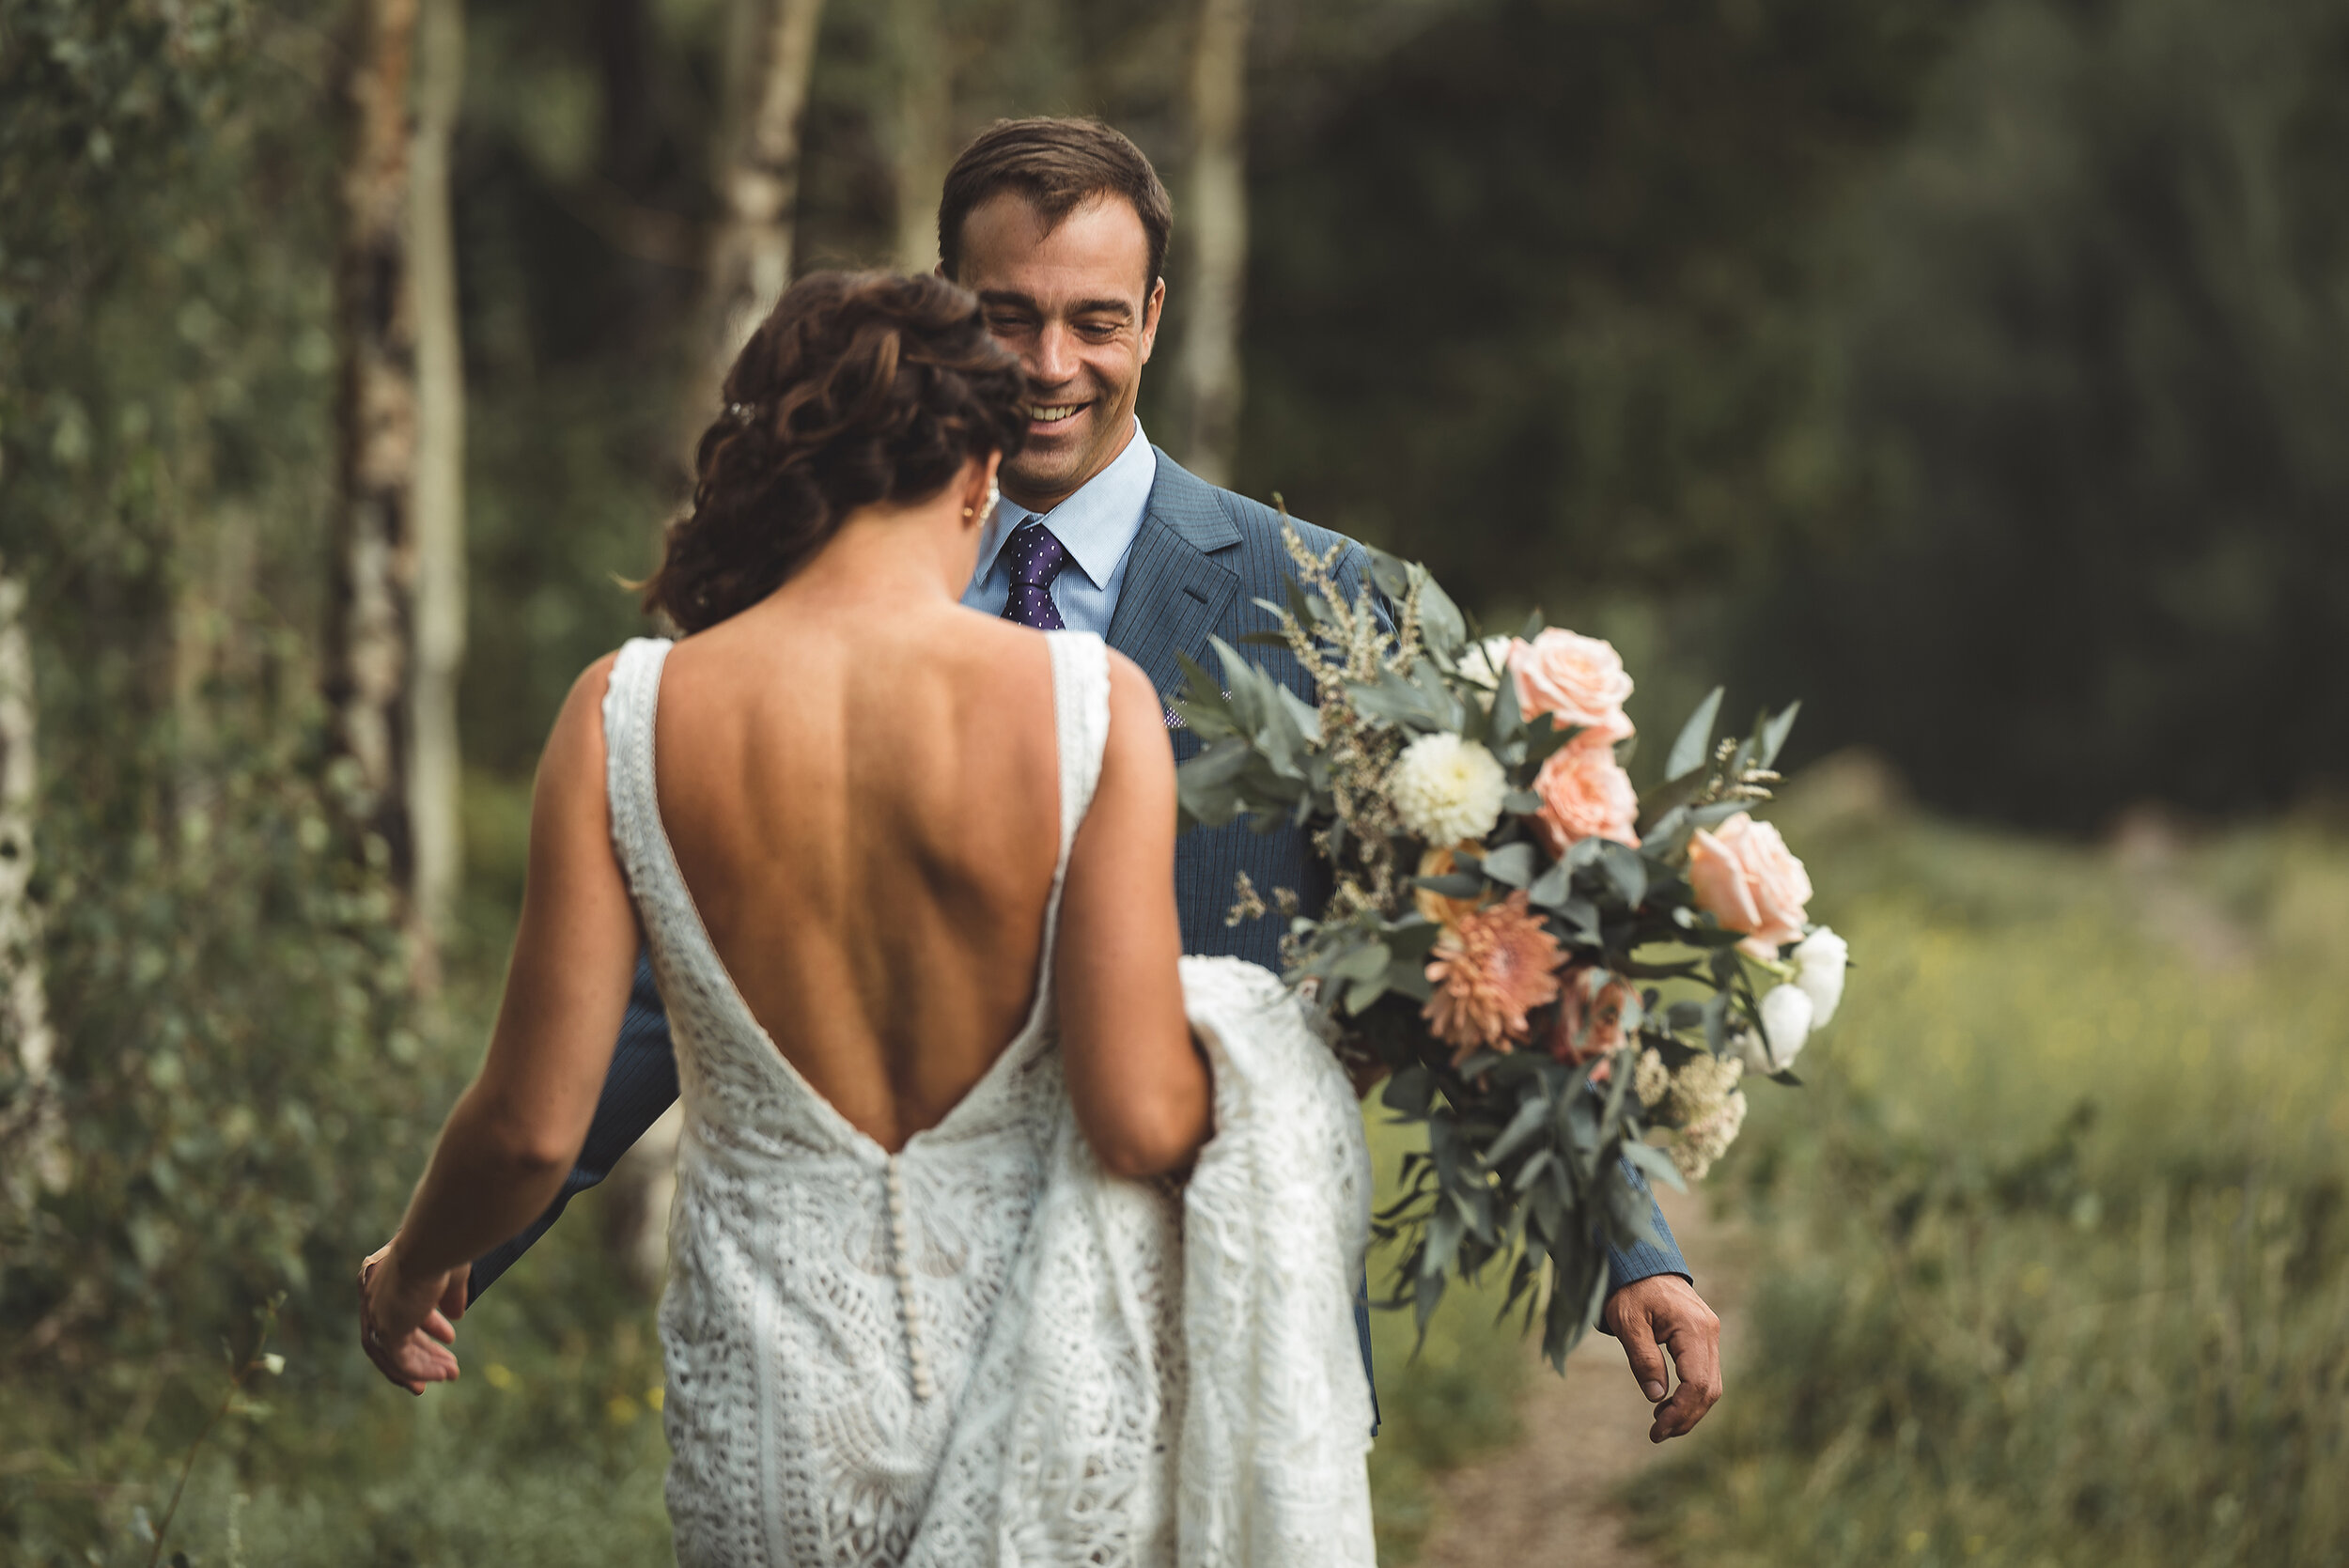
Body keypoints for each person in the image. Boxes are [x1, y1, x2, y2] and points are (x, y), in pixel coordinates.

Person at [366, 116, 1720, 1444]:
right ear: (948, 312)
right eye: (1009, 317)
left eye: (1098, 318)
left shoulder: (1332, 607)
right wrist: (477, 1236)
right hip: (876, 1358)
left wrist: (1632, 1242)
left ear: (1157, 312)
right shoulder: (791, 624)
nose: (1052, 365)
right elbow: (671, 988)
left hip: (1214, 1337)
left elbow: (1480, 944)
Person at [364, 270, 1381, 1563]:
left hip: (776, 1424)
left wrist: (408, 1269)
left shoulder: (623, 714)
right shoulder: (1088, 703)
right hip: (1046, 1409)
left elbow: (526, 1128)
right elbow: (1139, 1120)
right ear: (975, 471)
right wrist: (1290, 1043)